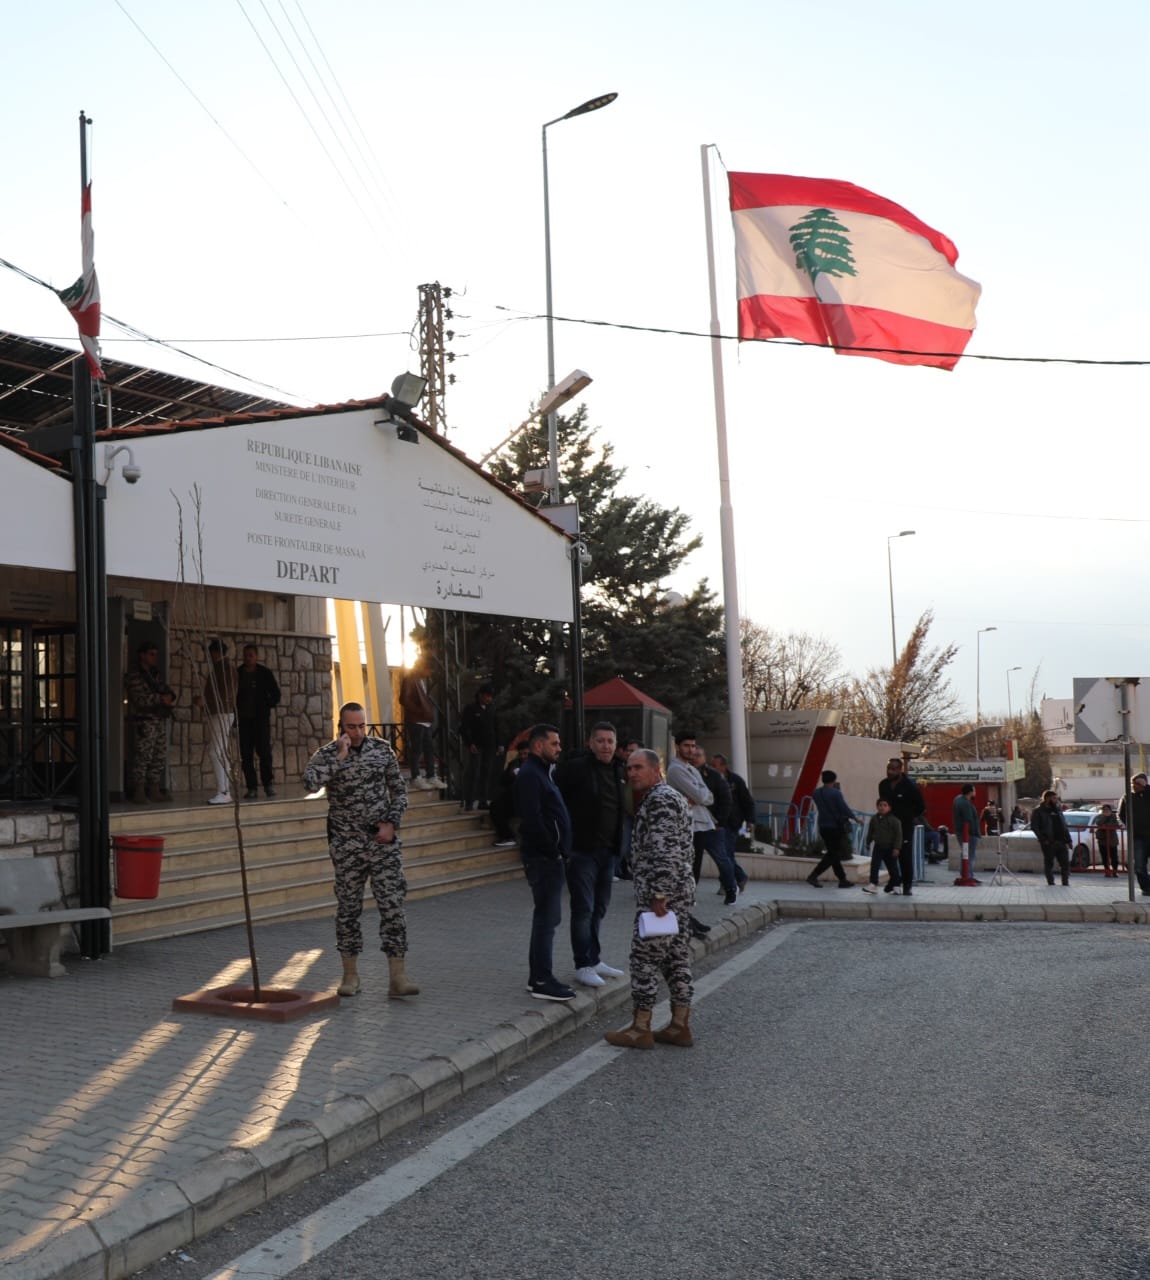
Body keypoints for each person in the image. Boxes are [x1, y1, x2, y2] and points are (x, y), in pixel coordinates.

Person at [302, 702, 418, 999]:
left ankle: (398, 976)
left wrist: (391, 823)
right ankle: (350, 975)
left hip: (382, 842)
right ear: (340, 726)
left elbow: (399, 790)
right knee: (348, 910)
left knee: (392, 905)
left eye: (361, 726)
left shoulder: (381, 750)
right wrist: (339, 757)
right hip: (347, 845)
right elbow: (310, 783)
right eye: (350, 727)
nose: (356, 732)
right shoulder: (328, 755)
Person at [605, 749, 696, 1051]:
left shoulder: (659, 800)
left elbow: (665, 851)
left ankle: (640, 1027)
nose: (631, 773)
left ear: (656, 770)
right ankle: (680, 1025)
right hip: (679, 893)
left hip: (664, 897)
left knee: (643, 959)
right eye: (629, 768)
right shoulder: (668, 797)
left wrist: (660, 895)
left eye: (638, 768)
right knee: (676, 959)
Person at [555, 721, 628, 988]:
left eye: (610, 741)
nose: (606, 746)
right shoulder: (576, 769)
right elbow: (557, 801)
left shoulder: (620, 770)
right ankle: (582, 964)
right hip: (582, 852)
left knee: (599, 908)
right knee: (583, 909)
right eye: (600, 741)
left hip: (608, 853)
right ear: (590, 743)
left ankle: (594, 958)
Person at [514, 723, 575, 1001]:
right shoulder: (530, 775)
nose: (559, 748)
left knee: (548, 918)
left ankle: (539, 976)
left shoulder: (543, 773)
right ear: (538, 745)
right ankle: (541, 979)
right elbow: (533, 818)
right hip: (543, 859)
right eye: (554, 743)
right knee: (546, 919)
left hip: (550, 857)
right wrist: (552, 850)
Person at [666, 731, 739, 906]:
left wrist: (702, 797)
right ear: (677, 746)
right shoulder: (676, 769)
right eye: (686, 746)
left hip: (704, 823)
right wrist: (701, 796)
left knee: (703, 862)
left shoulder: (691, 769)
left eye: (693, 746)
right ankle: (686, 903)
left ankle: (729, 889)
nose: (690, 750)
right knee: (690, 866)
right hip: (688, 825)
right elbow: (701, 795)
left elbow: (707, 796)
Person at [124, 641, 176, 803]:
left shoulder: (155, 674)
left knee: (158, 755)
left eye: (156, 654)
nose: (154, 658)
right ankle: (139, 790)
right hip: (144, 721)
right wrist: (160, 698)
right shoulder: (134, 675)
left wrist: (168, 697)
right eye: (151, 654)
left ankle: (154, 789)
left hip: (158, 720)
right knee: (143, 756)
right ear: (142, 655)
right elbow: (139, 699)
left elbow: (167, 690)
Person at [695, 745, 749, 894]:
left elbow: (733, 800)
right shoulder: (688, 773)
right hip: (695, 824)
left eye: (698, 755)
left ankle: (731, 885)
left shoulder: (716, 776)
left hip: (718, 824)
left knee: (723, 856)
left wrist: (721, 821)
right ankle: (736, 879)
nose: (695, 758)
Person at [235, 644, 280, 800]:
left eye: (251, 655)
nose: (248, 658)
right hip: (244, 722)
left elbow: (276, 694)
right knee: (246, 756)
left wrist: (266, 704)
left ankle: (268, 784)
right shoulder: (238, 673)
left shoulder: (264, 673)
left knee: (265, 753)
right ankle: (251, 787)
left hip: (260, 721)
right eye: (246, 655)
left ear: (256, 656)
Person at [197, 640, 237, 805]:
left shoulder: (225, 668)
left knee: (215, 752)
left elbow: (225, 692)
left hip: (221, 713)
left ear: (215, 652)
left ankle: (223, 791)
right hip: (223, 712)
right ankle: (224, 789)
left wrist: (205, 701)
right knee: (221, 752)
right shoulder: (224, 668)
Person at [878, 757, 925, 897]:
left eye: (893, 769)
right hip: (888, 827)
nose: (890, 772)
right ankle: (895, 881)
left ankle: (907, 885)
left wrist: (908, 816)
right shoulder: (883, 785)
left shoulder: (910, 786)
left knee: (904, 856)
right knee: (887, 854)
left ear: (900, 770)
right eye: (888, 768)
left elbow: (921, 807)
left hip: (904, 827)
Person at [711, 753, 756, 890]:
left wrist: (750, 821)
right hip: (717, 821)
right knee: (723, 854)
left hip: (732, 822)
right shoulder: (712, 780)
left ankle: (728, 883)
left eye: (715, 766)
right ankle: (738, 877)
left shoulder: (735, 781)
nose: (712, 768)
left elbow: (747, 801)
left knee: (725, 853)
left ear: (723, 766)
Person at [807, 770, 858, 888]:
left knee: (833, 853)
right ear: (834, 780)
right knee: (832, 854)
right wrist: (855, 818)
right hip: (835, 826)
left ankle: (842, 879)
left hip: (823, 826)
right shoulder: (836, 793)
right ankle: (813, 875)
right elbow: (843, 808)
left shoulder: (816, 793)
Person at [399, 658, 441, 790]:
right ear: (423, 668)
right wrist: (420, 711)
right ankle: (416, 777)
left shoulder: (421, 680)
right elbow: (404, 699)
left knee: (429, 748)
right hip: (417, 720)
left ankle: (431, 776)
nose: (429, 673)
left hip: (425, 720)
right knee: (417, 748)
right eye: (429, 670)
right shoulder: (410, 679)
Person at [460, 685, 499, 811]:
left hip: (490, 745)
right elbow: (464, 728)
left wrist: (500, 744)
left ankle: (483, 800)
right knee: (474, 773)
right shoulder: (471, 709)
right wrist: (469, 743)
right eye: (487, 696)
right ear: (481, 695)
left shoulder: (491, 709)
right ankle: (469, 801)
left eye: (491, 697)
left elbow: (496, 726)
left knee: (486, 773)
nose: (489, 699)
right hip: (476, 745)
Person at [489, 742, 528, 847]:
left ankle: (509, 837)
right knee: (496, 807)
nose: (523, 757)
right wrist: (511, 774)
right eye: (521, 754)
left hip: (528, 801)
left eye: (525, 754)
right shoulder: (515, 763)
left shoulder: (536, 765)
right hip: (515, 799)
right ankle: (507, 836)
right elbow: (503, 781)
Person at [1030, 789, 1072, 887]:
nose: (1056, 800)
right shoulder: (1038, 811)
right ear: (1047, 799)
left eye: (1056, 798)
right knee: (1049, 863)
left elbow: (1064, 826)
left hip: (1061, 841)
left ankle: (1065, 883)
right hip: (1049, 842)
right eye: (1054, 798)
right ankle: (1051, 883)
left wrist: (1069, 840)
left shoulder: (1058, 810)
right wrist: (1043, 839)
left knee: (1065, 863)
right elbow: (1035, 827)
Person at [861, 798, 903, 894]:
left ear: (889, 807)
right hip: (878, 847)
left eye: (885, 805)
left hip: (890, 847)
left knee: (892, 867)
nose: (882, 807)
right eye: (880, 805)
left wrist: (897, 848)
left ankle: (896, 885)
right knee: (874, 865)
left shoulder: (894, 820)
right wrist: (868, 842)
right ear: (877, 806)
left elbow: (898, 835)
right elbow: (871, 832)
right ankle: (873, 884)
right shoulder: (874, 819)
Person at [1119, 774, 1150, 895]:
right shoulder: (1128, 797)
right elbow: (1121, 815)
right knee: (1139, 865)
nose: (1134, 786)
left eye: (1137, 783)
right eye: (1133, 784)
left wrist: (1146, 788)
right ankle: (1146, 888)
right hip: (1137, 837)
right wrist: (1129, 826)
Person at [953, 784, 982, 879]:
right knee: (970, 855)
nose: (975, 793)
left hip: (962, 832)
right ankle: (968, 875)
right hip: (969, 834)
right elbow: (968, 820)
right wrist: (975, 833)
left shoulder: (958, 799)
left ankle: (965, 874)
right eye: (974, 791)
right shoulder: (965, 803)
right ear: (970, 792)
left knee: (965, 855)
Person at [1095, 803, 1122, 877]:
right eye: (1104, 810)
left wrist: (1106, 825)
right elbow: (1098, 823)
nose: (1106, 811)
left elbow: (1115, 824)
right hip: (1102, 840)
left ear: (1110, 810)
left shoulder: (1113, 816)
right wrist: (1104, 817)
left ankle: (1114, 871)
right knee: (1104, 857)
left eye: (1107, 810)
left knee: (1114, 857)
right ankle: (1107, 871)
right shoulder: (1100, 816)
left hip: (1112, 840)